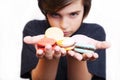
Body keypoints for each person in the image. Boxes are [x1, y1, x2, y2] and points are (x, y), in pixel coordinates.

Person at [20, 0, 110, 80]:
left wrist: (75, 53)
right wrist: (49, 55)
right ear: (45, 11)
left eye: (73, 14)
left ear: (85, 10)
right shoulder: (34, 29)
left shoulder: (94, 32)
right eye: (55, 14)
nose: (64, 25)